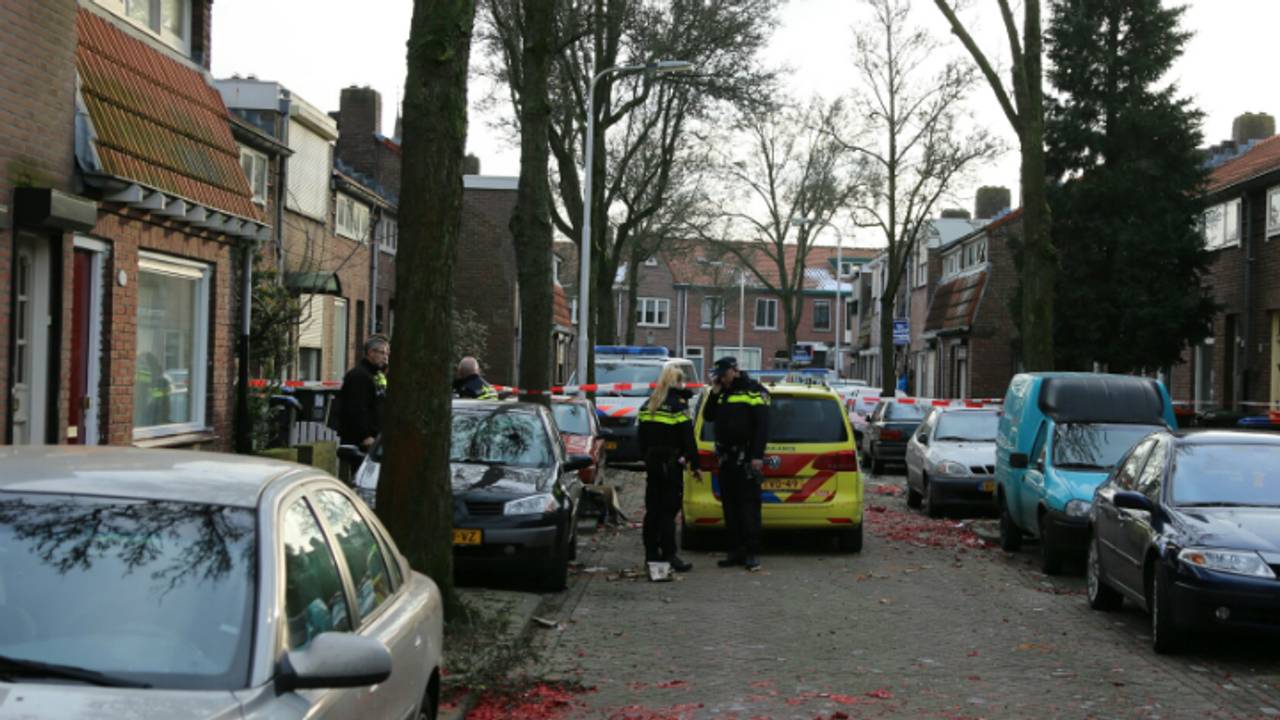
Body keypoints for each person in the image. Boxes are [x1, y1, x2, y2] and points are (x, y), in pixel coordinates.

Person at [702, 356, 770, 572]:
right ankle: (734, 551)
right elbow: (708, 416)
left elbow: (762, 427)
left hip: (746, 457)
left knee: (748, 507)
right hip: (726, 458)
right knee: (729, 507)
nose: (722, 378)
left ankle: (751, 553)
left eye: (724, 374)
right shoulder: (722, 392)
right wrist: (714, 392)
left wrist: (757, 456)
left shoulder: (754, 391)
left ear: (734, 370)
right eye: (719, 375)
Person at [638, 362, 701, 573]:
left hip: (653, 466)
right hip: (671, 466)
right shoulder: (678, 406)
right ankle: (669, 554)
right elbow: (688, 438)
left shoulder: (648, 405)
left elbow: (641, 439)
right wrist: (694, 464)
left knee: (652, 511)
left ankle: (650, 554)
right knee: (668, 511)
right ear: (678, 382)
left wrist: (647, 459)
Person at [339, 335, 390, 455]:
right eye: (382, 353)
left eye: (387, 354)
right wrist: (365, 436)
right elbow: (357, 408)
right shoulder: (359, 376)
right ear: (371, 352)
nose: (386, 358)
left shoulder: (375, 375)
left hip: (374, 439)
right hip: (362, 442)